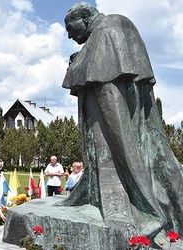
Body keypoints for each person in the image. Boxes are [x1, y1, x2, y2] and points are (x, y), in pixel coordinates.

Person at [60, 2, 183, 236]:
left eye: (70, 27)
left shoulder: (107, 29)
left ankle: (147, 209)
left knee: (121, 146)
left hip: (114, 106)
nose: (68, 34)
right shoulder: (109, 29)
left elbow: (110, 90)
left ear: (85, 18)